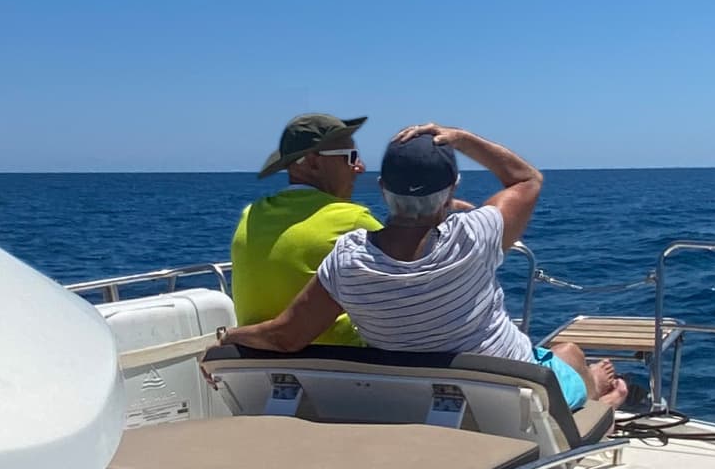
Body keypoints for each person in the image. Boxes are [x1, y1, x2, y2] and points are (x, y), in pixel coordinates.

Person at [221, 123, 627, 411]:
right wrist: (462, 138)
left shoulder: (348, 259)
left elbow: (286, 336)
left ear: (383, 191)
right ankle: (601, 403)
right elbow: (526, 180)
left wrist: (227, 338)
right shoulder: (477, 233)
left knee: (560, 356)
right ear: (451, 189)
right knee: (569, 352)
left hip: (416, 400)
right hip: (514, 393)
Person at [230, 112, 382, 347]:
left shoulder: (250, 216)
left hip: (256, 370)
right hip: (342, 373)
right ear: (312, 162)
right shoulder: (353, 221)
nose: (360, 167)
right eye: (351, 157)